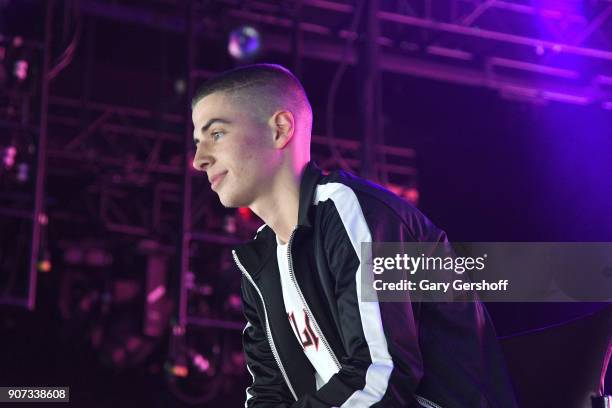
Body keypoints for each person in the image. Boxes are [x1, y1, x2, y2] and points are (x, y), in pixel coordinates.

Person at [191, 63, 518, 408]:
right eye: (197, 141)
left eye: (216, 134)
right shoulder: (260, 262)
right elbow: (268, 394)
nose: (199, 159)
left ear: (280, 129)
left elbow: (380, 378)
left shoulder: (349, 211)